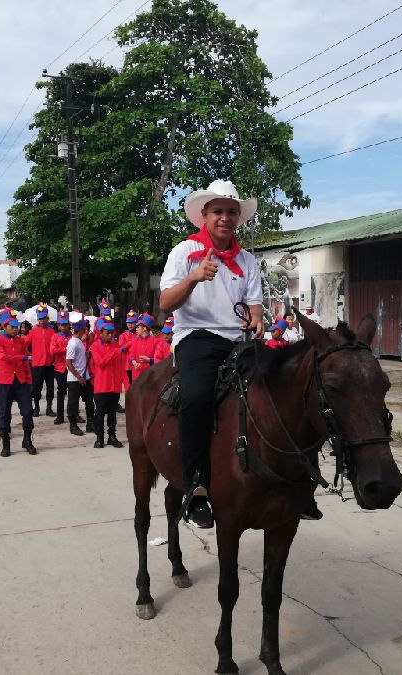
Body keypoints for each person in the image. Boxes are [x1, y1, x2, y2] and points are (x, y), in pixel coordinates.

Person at [158, 179, 264, 528]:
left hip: (237, 340)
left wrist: (256, 322)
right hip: (196, 337)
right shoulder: (183, 251)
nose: (225, 218)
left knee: (282, 388)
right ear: (204, 215)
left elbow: (254, 308)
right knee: (199, 396)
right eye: (217, 211)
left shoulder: (248, 261)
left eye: (231, 212)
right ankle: (195, 486)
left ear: (238, 218)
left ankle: (294, 481)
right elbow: (165, 304)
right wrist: (194, 278)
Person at [0, 309, 35, 457]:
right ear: (4, 327)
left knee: (28, 411)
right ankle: (6, 444)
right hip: (5, 381)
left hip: (21, 380)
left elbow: (26, 365)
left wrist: (29, 380)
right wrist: (23, 358)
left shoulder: (20, 341)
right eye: (12, 327)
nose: (16, 329)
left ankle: (27, 440)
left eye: (17, 327)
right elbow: (3, 357)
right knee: (5, 413)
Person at [89, 320, 126, 449]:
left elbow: (121, 366)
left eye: (112, 333)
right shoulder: (95, 346)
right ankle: (99, 438)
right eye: (107, 333)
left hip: (114, 385)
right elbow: (100, 362)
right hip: (101, 386)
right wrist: (117, 351)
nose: (110, 335)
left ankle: (112, 436)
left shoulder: (116, 345)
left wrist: (125, 384)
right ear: (101, 333)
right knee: (99, 413)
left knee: (112, 413)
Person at [65, 313, 94, 437]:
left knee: (89, 401)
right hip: (75, 379)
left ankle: (90, 424)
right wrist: (79, 377)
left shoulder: (79, 342)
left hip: (85, 376)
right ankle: (73, 426)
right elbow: (68, 362)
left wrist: (86, 354)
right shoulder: (73, 343)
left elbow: (79, 358)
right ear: (81, 329)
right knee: (73, 403)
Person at [27, 304, 56, 417]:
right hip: (37, 364)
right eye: (40, 318)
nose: (41, 320)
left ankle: (49, 407)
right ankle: (36, 407)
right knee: (36, 387)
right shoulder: (33, 331)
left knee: (50, 387)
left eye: (43, 318)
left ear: (47, 318)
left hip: (49, 363)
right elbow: (24, 344)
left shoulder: (52, 331)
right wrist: (29, 355)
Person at [50, 310, 72, 425]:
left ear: (69, 324)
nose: (63, 327)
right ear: (58, 326)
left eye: (65, 324)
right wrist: (67, 349)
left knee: (73, 393)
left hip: (72, 369)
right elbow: (53, 351)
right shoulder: (55, 337)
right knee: (61, 392)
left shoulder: (73, 337)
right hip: (60, 368)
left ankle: (73, 414)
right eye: (61, 325)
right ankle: (60, 416)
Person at [128, 314, 157, 381]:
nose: (136, 329)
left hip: (150, 377)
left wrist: (149, 360)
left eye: (138, 327)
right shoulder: (135, 340)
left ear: (144, 329)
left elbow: (160, 359)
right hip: (136, 376)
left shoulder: (155, 341)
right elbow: (131, 354)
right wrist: (134, 362)